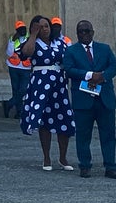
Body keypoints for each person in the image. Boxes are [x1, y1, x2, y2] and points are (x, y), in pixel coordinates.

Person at [62, 20, 116, 179]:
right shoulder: (71, 51)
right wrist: (89, 75)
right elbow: (68, 69)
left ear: (92, 32)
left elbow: (114, 67)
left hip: (104, 98)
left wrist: (102, 77)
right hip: (83, 100)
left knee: (108, 135)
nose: (84, 34)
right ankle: (85, 166)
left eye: (87, 31)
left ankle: (110, 167)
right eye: (80, 31)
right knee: (83, 135)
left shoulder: (104, 48)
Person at [18, 15, 76, 171]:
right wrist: (33, 35)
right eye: (40, 27)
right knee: (44, 120)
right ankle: (46, 157)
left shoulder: (60, 43)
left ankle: (63, 157)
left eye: (46, 26)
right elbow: (26, 54)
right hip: (41, 85)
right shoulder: (32, 43)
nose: (44, 29)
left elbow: (69, 59)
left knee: (63, 117)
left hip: (59, 85)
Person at [3, 20, 31, 120]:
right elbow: (9, 53)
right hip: (13, 67)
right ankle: (19, 112)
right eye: (20, 29)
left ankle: (8, 104)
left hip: (26, 68)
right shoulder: (13, 39)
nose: (22, 31)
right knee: (16, 90)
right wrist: (12, 41)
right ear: (17, 30)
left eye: (23, 29)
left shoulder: (30, 38)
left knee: (23, 89)